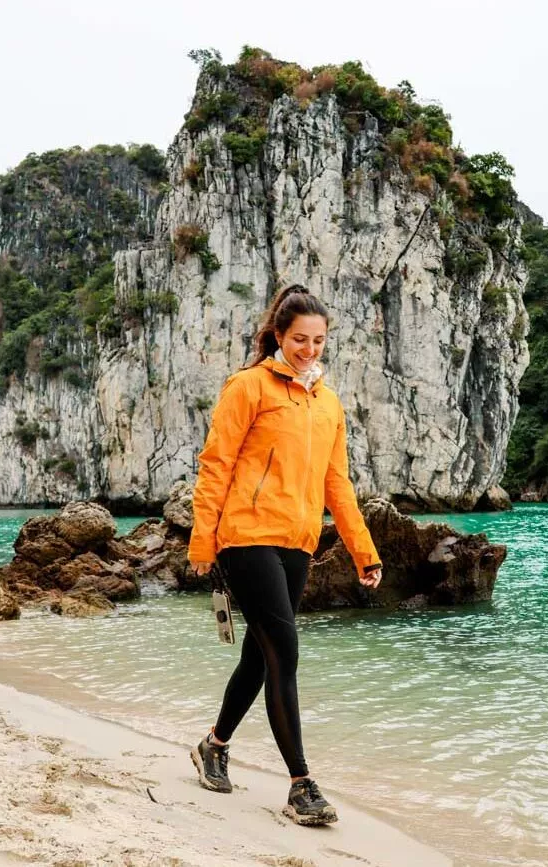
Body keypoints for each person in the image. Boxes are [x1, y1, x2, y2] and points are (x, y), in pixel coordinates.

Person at [187, 285, 383, 826]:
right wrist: (204, 540)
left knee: (260, 654)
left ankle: (214, 745)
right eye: (300, 339)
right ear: (278, 335)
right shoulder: (247, 387)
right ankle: (301, 784)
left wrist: (363, 550)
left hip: (299, 541)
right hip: (245, 535)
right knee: (285, 651)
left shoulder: (329, 403)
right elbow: (216, 465)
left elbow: (336, 485)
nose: (310, 349)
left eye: (319, 340)